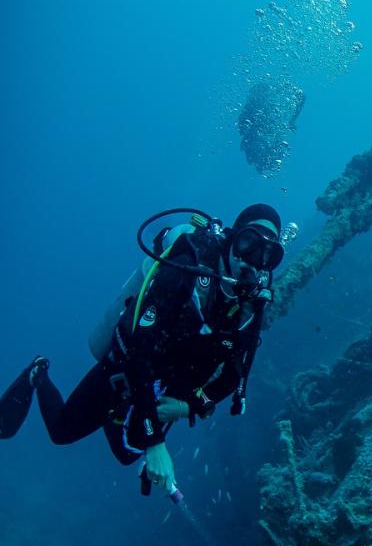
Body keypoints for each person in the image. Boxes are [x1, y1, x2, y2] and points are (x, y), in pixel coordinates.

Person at [0, 204, 286, 496]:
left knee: (128, 454)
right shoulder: (187, 266)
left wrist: (188, 407)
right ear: (232, 237)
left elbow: (234, 375)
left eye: (268, 254)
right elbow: (139, 349)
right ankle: (39, 373)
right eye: (248, 242)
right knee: (61, 432)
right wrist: (155, 443)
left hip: (169, 383)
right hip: (127, 367)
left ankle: (121, 416)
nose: (252, 260)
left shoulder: (253, 303)